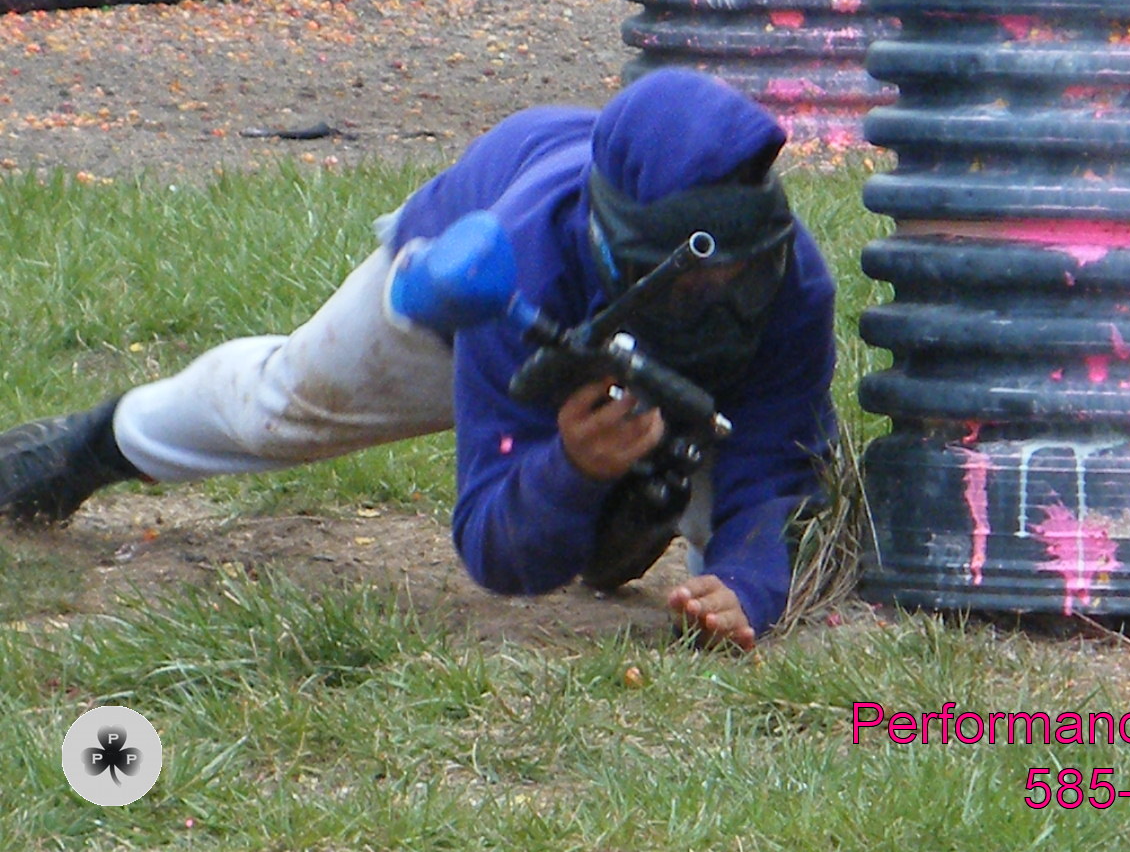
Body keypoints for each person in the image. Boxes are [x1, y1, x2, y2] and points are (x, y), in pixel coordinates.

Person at [0, 69, 837, 649]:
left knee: (722, 490)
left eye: (745, 274)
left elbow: (774, 466)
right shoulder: (515, 262)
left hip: (628, 351)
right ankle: (100, 441)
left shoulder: (791, 279)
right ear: (621, 247)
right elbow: (492, 550)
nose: (728, 299)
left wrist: (744, 588)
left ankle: (641, 491)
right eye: (692, 284)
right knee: (278, 407)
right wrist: (571, 469)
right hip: (463, 284)